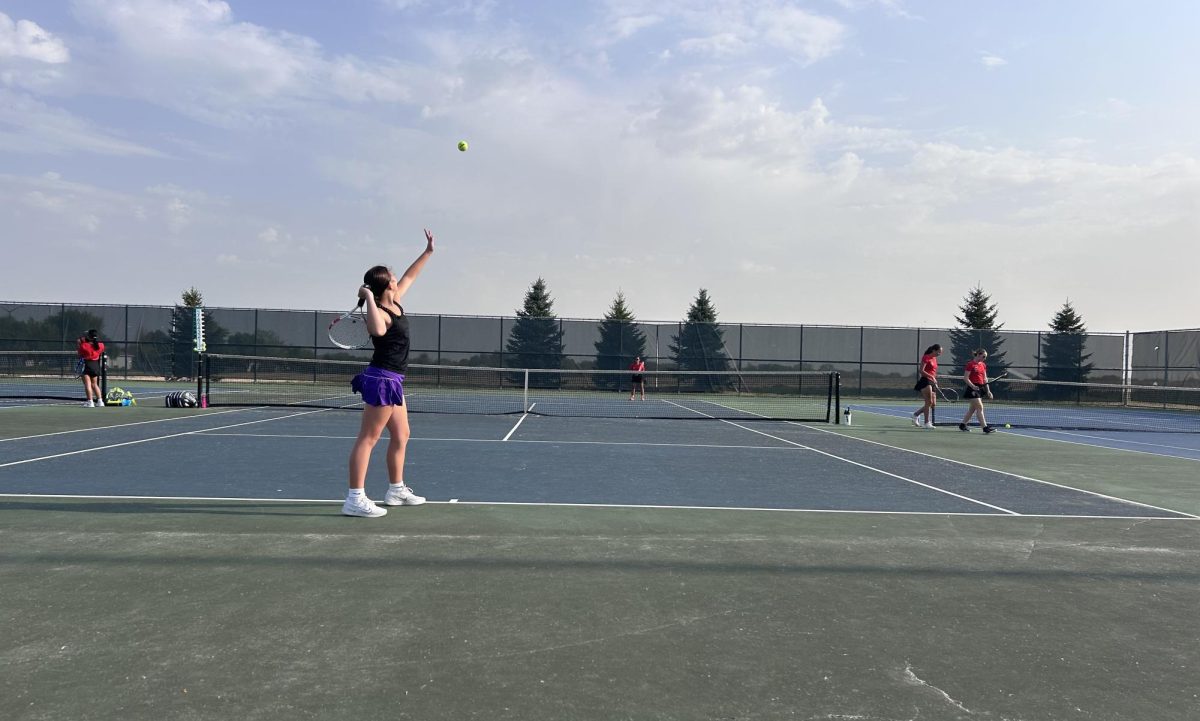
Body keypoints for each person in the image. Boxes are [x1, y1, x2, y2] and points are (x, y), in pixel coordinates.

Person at [343, 229, 436, 518]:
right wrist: (368, 297)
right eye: (392, 279)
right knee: (368, 438)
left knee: (402, 434)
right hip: (381, 380)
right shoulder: (381, 311)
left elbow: (411, 276)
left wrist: (428, 251)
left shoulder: (395, 303)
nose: (398, 280)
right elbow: (378, 330)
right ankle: (354, 498)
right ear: (384, 287)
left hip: (394, 380)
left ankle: (395, 489)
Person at [959, 348, 996, 434]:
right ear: (978, 355)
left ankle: (962, 425)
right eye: (983, 356)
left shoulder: (983, 365)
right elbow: (965, 378)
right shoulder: (970, 364)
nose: (984, 358)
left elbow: (985, 379)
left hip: (980, 388)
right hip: (972, 388)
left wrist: (988, 391)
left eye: (985, 357)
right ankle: (985, 428)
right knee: (980, 407)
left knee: (972, 409)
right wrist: (972, 386)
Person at [911, 343, 941, 428]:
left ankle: (915, 415)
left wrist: (934, 380)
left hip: (932, 381)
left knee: (933, 403)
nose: (939, 354)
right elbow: (921, 370)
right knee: (928, 402)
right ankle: (927, 423)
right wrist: (931, 376)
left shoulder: (934, 359)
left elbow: (933, 371)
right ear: (934, 350)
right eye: (938, 352)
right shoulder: (926, 357)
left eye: (940, 352)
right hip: (925, 381)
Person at [76, 329, 105, 408]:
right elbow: (98, 347)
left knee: (87, 384)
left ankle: (90, 402)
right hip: (95, 366)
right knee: (95, 384)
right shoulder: (100, 345)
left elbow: (79, 355)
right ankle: (100, 401)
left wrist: (79, 344)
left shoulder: (84, 346)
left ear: (88, 337)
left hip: (87, 365)